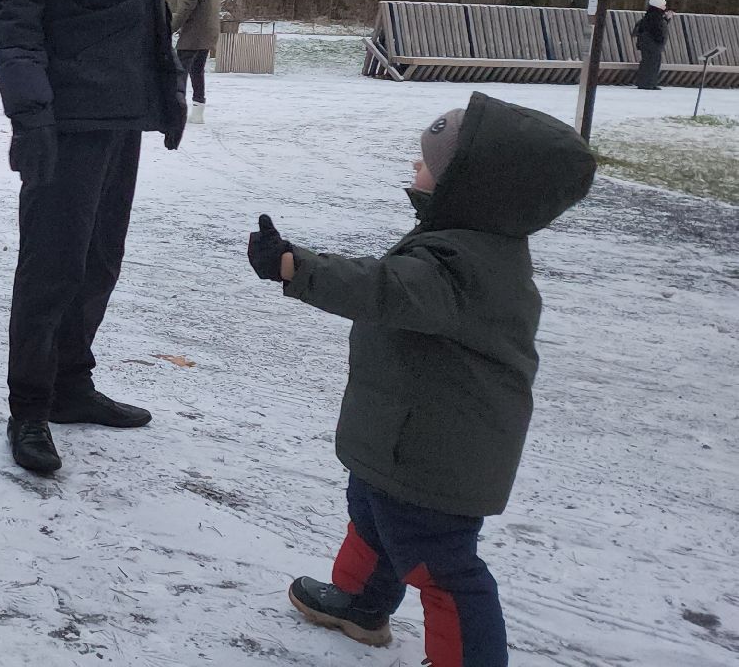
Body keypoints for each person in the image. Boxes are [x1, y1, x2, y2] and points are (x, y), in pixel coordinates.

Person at [247, 92, 594, 667]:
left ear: (471, 187)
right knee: (372, 514)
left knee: (440, 563)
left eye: (429, 162)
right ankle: (359, 603)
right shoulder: (470, 241)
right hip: (403, 435)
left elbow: (383, 288)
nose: (416, 168)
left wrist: (293, 265)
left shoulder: (462, 263)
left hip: (437, 451)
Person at [0, 0, 188, 476]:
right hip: (64, 120)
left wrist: (163, 92)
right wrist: (30, 117)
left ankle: (73, 384)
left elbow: (142, 11)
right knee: (52, 267)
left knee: (99, 260)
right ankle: (30, 404)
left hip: (116, 113)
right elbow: (13, 19)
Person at [172, 0, 221, 123]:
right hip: (208, 29)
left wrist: (172, 27)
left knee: (180, 70)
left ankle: (177, 110)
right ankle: (198, 110)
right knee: (197, 70)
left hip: (195, 30)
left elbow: (187, 5)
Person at [633, 0, 672, 90]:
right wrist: (659, 40)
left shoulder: (652, 16)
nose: (665, 8)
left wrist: (667, 19)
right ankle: (647, 83)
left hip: (649, 44)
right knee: (651, 63)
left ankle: (649, 82)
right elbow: (657, 29)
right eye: (663, 6)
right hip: (651, 44)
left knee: (652, 62)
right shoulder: (655, 17)